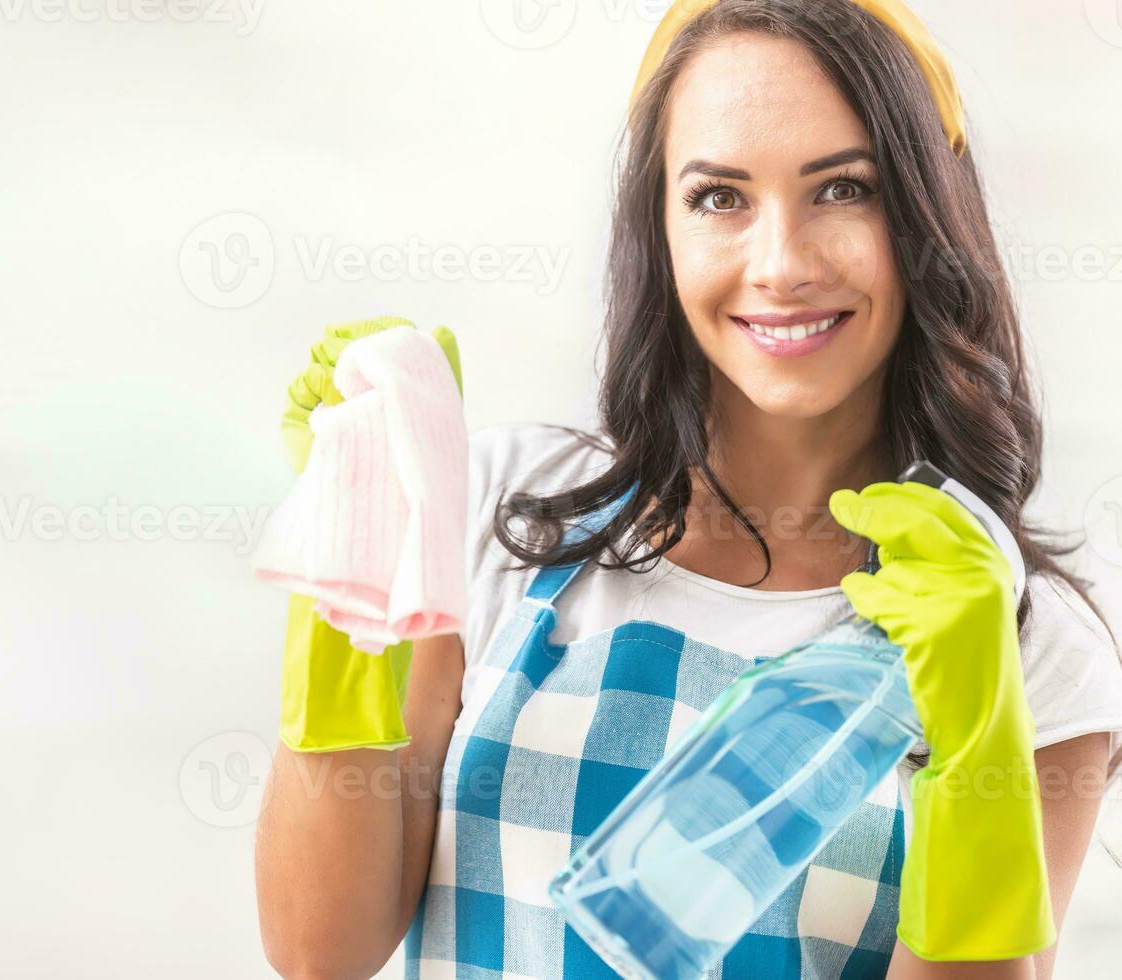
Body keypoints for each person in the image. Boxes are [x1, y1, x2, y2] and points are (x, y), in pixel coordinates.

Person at [252, 1, 1122, 977]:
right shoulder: (511, 511)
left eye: (844, 188)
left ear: (926, 218)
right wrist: (360, 540)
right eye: (720, 196)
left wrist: (974, 751)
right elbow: (320, 949)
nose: (781, 263)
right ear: (657, 227)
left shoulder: (1022, 637)